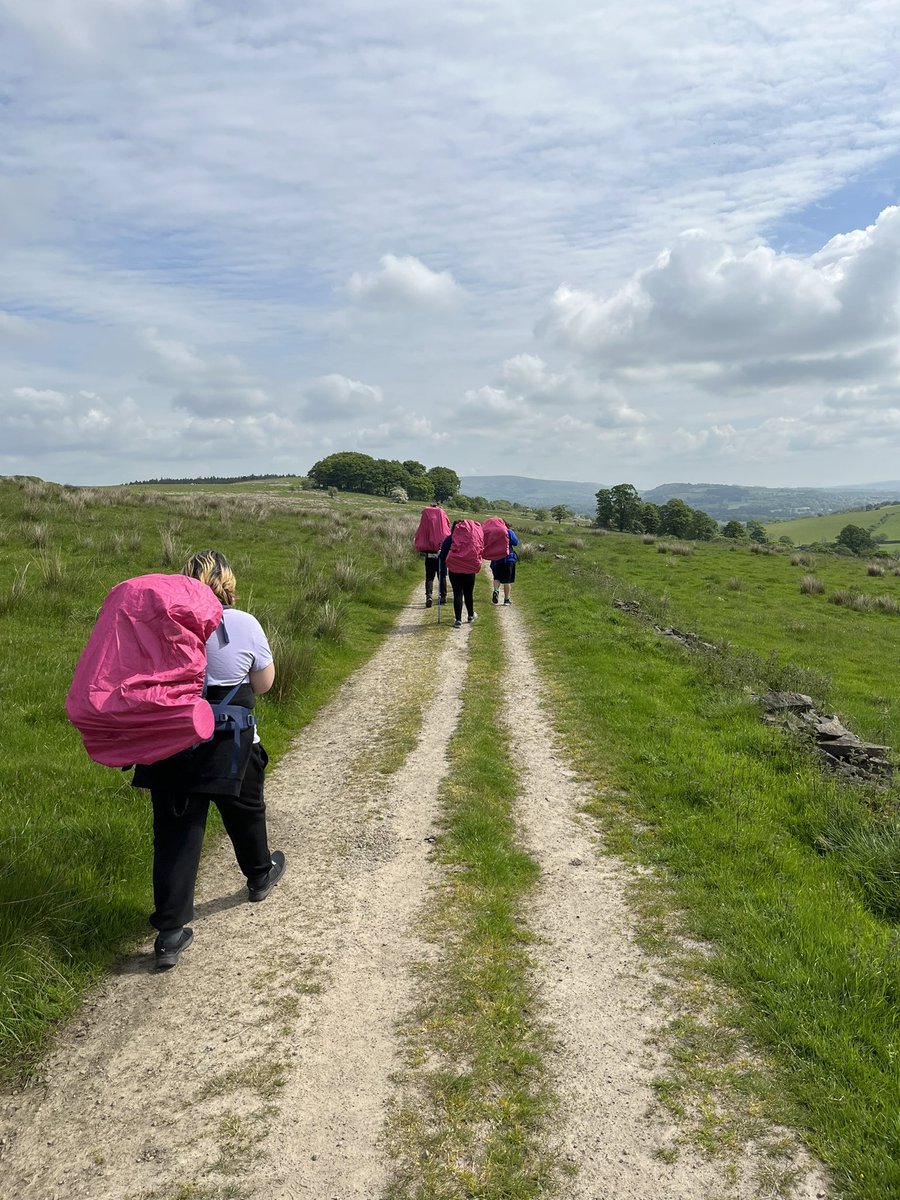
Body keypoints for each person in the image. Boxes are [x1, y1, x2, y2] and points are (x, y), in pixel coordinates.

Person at [132, 549, 285, 970]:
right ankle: (259, 875)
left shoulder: (161, 626)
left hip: (170, 745)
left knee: (175, 836)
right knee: (246, 811)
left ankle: (169, 934)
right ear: (229, 586)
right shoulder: (243, 623)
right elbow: (264, 683)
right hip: (231, 745)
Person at [438, 519, 482, 628]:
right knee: (468, 593)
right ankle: (470, 615)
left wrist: (442, 556)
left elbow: (443, 557)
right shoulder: (471, 539)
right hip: (469, 570)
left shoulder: (450, 539)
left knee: (457, 593)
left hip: (454, 570)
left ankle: (458, 620)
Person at [490, 523, 519, 606]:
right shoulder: (508, 531)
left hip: (496, 559)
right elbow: (516, 542)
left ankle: (496, 590)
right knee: (507, 581)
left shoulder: (493, 532)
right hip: (508, 559)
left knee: (497, 578)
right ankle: (506, 600)